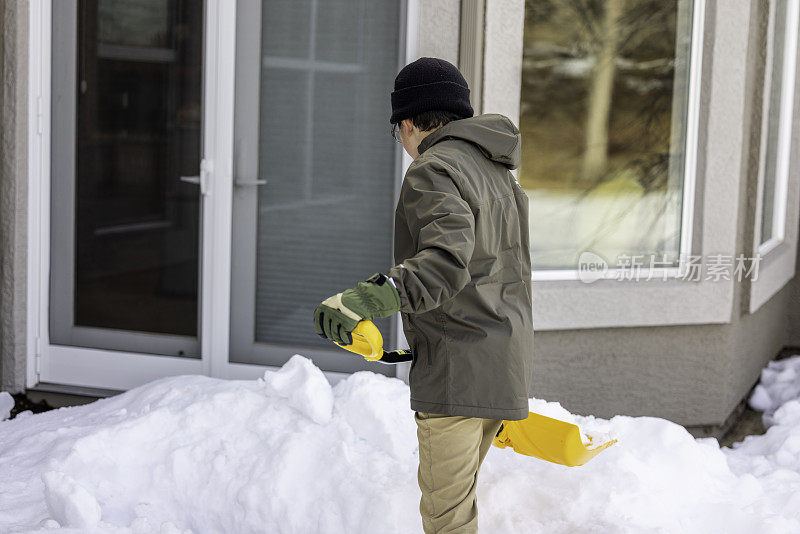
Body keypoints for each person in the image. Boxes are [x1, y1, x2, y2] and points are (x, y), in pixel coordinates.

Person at [314, 57, 533, 533]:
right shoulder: (496, 172)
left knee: (447, 522)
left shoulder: (433, 170)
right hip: (501, 368)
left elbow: (444, 262)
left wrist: (365, 300)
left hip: (456, 375)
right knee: (460, 509)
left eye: (399, 133)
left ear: (408, 124)